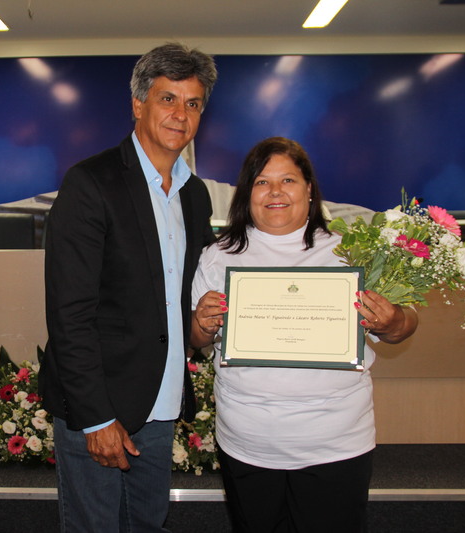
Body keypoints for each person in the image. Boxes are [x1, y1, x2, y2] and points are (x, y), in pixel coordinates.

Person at [191, 137, 418, 533]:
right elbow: (195, 341)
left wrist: (392, 320)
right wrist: (203, 323)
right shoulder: (218, 256)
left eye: (288, 181)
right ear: (247, 192)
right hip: (248, 443)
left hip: (334, 442)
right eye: (262, 182)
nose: (275, 192)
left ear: (309, 189)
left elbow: (404, 325)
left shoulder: (351, 252)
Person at [39, 43, 218, 532]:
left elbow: (195, 289)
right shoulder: (90, 183)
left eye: (194, 103)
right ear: (138, 104)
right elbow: (69, 312)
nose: (181, 115)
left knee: (148, 523)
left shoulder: (195, 194)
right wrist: (96, 419)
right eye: (168, 99)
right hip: (100, 409)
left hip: (161, 403)